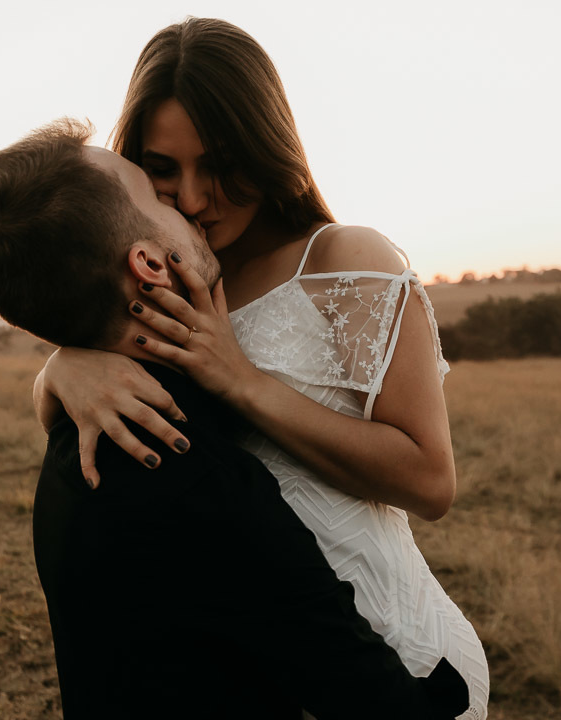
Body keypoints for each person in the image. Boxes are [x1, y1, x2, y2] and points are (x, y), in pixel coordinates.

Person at [35, 18, 489, 718]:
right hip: (251, 669)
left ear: (268, 148)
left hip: (394, 661)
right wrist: (64, 368)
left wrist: (242, 381)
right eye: (163, 168)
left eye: (219, 165)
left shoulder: (346, 260)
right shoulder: (167, 274)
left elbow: (431, 480)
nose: (191, 197)